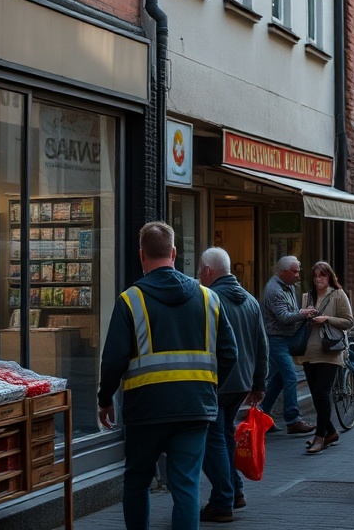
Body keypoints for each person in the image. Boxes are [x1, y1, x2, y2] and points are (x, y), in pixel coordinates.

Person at [97, 222, 238, 530]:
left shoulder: (130, 300)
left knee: (137, 481)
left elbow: (114, 360)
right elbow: (230, 354)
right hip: (195, 407)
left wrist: (105, 398)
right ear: (174, 252)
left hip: (146, 409)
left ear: (141, 255)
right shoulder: (208, 298)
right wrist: (209, 388)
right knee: (186, 485)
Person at [197, 247, 268, 522]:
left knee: (212, 441)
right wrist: (259, 383)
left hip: (217, 381)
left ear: (207, 271)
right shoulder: (251, 300)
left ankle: (223, 499)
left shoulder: (209, 299)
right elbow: (263, 344)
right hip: (242, 382)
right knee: (225, 435)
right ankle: (236, 491)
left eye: (200, 272)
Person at [293, 261, 354, 454]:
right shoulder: (307, 296)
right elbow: (300, 320)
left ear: (330, 277)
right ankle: (331, 432)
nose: (319, 279)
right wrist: (304, 316)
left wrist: (326, 319)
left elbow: (349, 322)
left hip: (329, 350)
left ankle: (320, 437)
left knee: (321, 392)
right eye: (316, 276)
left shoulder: (338, 295)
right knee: (317, 396)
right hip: (309, 350)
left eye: (323, 275)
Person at [259, 255, 316, 434]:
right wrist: (303, 314)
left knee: (277, 381)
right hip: (276, 340)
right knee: (291, 377)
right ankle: (292, 419)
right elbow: (284, 317)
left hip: (284, 339)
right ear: (283, 272)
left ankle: (263, 417)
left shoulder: (288, 286)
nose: (298, 275)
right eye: (295, 272)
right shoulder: (274, 290)